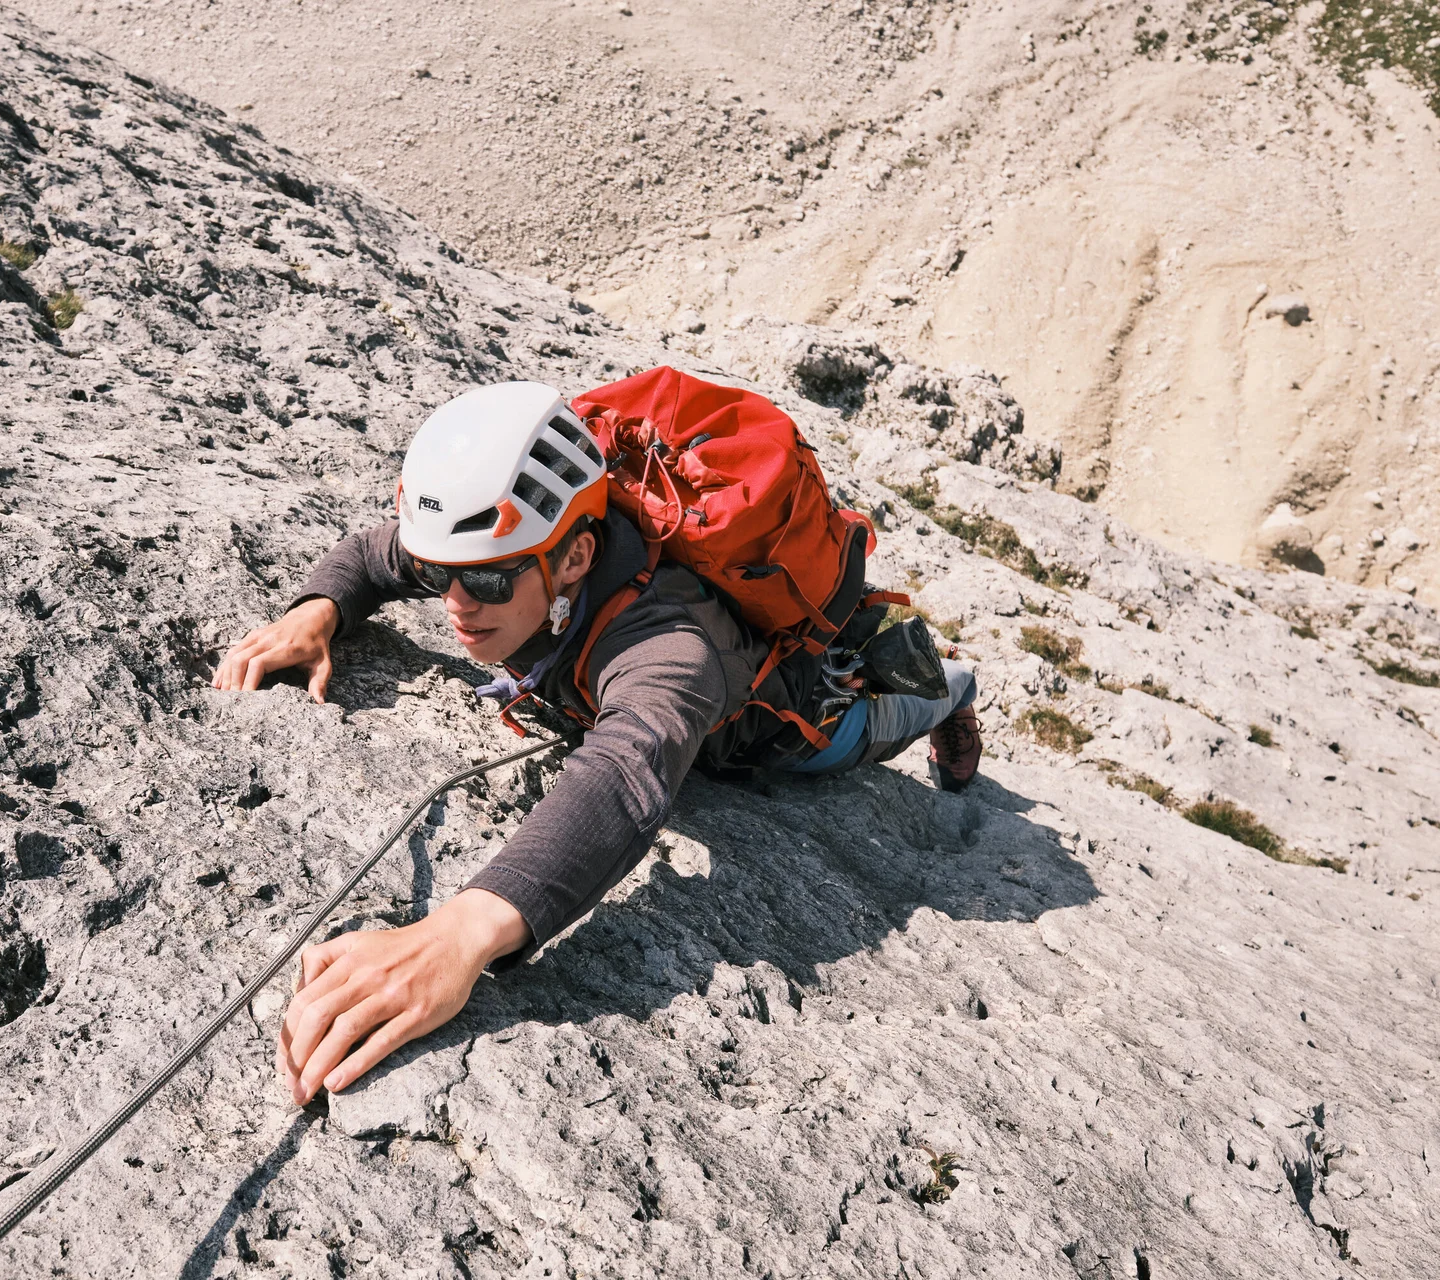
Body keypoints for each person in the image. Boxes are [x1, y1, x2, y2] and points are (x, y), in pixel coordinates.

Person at [211, 379, 981, 1106]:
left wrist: (461, 934)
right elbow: (378, 557)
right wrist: (316, 612)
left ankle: (948, 689)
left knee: (861, 730)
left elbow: (628, 768)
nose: (453, 601)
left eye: (482, 584)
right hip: (667, 671)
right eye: (443, 574)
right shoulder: (505, 546)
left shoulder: (669, 649)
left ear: (577, 556)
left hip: (779, 728)